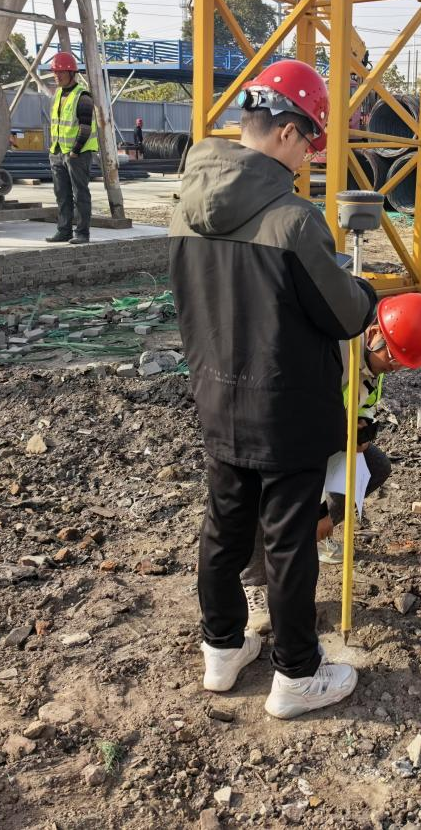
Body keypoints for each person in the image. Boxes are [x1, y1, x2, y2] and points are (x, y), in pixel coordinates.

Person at [170, 60, 377, 720]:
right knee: (289, 543)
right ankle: (297, 675)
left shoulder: (185, 205)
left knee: (223, 530)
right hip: (286, 409)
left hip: (217, 399)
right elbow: (344, 316)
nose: (310, 153)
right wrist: (363, 288)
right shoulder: (294, 221)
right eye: (311, 139)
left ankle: (223, 649)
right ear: (287, 131)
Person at [241, 294, 421, 634]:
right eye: (393, 357)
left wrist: (363, 428)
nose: (395, 366)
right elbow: (299, 441)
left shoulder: (374, 358)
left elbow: (364, 400)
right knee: (260, 497)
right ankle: (255, 585)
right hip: (273, 438)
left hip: (322, 432)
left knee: (376, 467)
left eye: (403, 362)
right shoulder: (332, 356)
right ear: (374, 333)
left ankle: (306, 536)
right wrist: (317, 509)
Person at [44, 51, 97, 246]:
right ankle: (64, 230)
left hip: (77, 154)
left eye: (60, 72)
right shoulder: (57, 94)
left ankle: (82, 233)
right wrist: (54, 151)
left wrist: (75, 150)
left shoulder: (82, 96)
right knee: (62, 194)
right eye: (54, 72)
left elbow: (85, 127)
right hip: (58, 152)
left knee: (80, 194)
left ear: (71, 72)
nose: (56, 76)